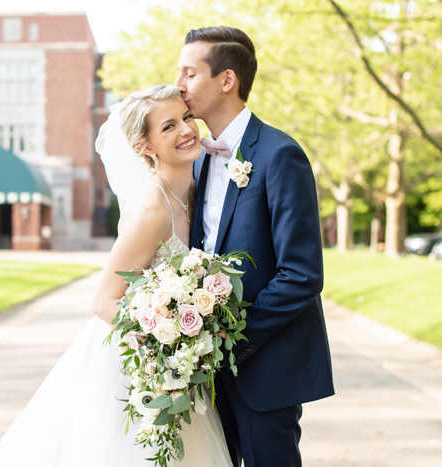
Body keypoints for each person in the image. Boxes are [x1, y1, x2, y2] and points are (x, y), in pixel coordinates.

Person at [0, 85, 232, 467]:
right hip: (139, 362)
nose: (186, 130)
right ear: (144, 147)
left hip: (178, 360)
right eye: (168, 127)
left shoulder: (197, 188)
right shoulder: (151, 208)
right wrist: (164, 337)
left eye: (186, 118)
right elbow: (103, 300)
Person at [174, 26, 335, 467]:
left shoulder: (280, 155)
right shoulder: (200, 158)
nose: (179, 85)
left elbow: (301, 274)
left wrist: (230, 339)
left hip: (265, 366)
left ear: (226, 80)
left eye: (189, 73)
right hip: (206, 373)